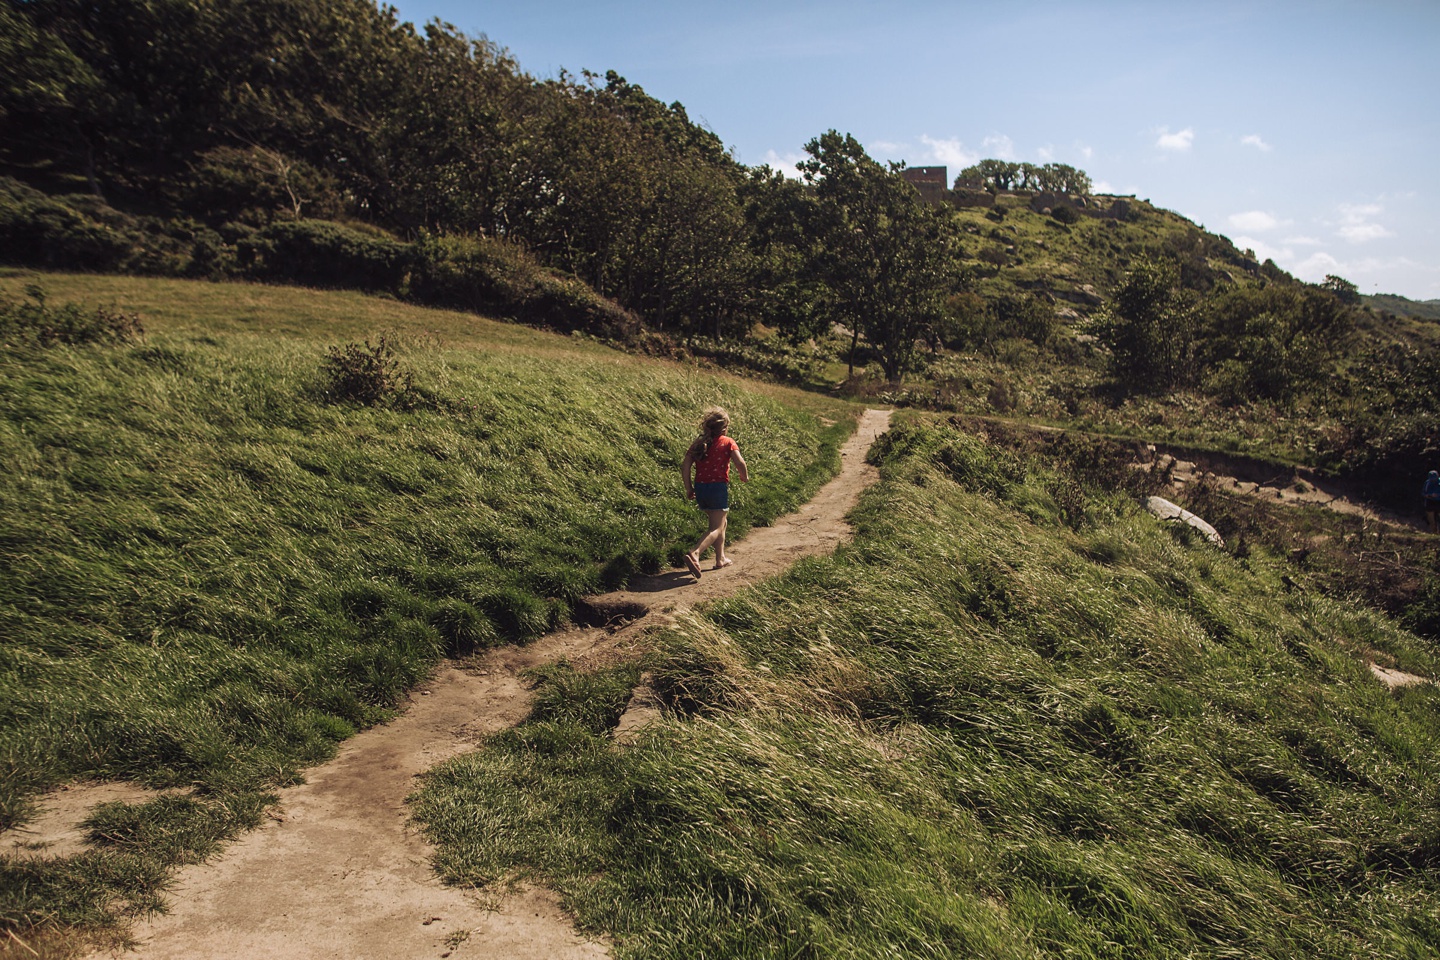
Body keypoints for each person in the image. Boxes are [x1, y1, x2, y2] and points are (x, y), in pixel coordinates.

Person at [680, 407, 748, 578]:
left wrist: (689, 487)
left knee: (721, 523)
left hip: (701, 487)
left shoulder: (698, 443)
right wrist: (744, 476)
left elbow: (685, 465)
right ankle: (695, 552)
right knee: (716, 527)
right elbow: (740, 462)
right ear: (724, 428)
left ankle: (720, 559)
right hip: (717, 487)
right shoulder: (728, 441)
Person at [1425, 470, 1440, 534]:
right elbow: (1423, 492)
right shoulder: (1427, 483)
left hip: (1439, 501)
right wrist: (1429, 495)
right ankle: (1434, 532)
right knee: (1431, 518)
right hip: (1430, 501)